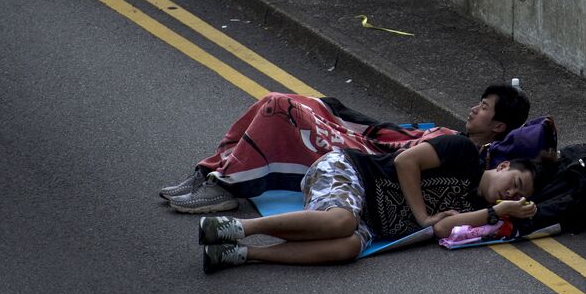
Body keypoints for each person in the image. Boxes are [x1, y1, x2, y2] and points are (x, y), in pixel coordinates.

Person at [198, 131, 548, 273]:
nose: (512, 194)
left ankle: (243, 254)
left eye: (519, 196)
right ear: (502, 166)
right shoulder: (464, 152)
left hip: (374, 225)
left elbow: (441, 230)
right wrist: (423, 214)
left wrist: (495, 212)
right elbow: (405, 162)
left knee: (348, 246)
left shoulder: (479, 206)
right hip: (351, 173)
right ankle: (240, 228)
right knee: (342, 221)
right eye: (514, 183)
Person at [162, 85, 531, 213]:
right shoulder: (455, 138)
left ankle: (226, 185)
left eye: (483, 107)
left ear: (498, 126)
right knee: (276, 101)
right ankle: (209, 170)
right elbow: (397, 134)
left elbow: (403, 159)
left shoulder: (473, 157)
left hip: (364, 160)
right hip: (367, 139)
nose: (474, 108)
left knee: (279, 107)